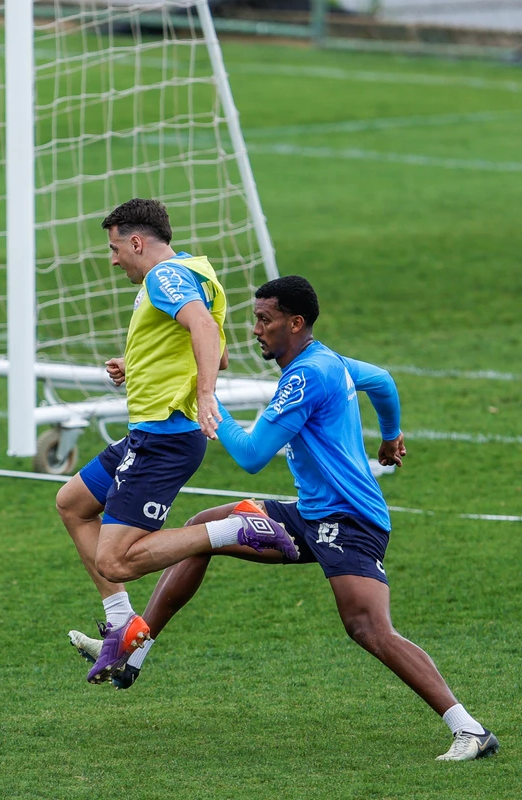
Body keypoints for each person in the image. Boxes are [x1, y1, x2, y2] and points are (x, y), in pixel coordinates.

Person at [71, 275, 497, 762]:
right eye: (255, 318)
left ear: (295, 323)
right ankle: (135, 650)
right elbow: (381, 380)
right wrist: (390, 435)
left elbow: (252, 454)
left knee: (367, 628)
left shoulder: (305, 377)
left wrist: (211, 407)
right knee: (203, 528)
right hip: (310, 514)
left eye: (264, 319)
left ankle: (470, 729)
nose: (255, 329)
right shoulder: (327, 360)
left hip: (349, 520)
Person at [56, 199, 295, 686]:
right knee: (73, 503)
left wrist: (205, 394)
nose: (114, 258)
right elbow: (218, 353)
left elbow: (204, 331)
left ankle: (237, 529)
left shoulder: (163, 278)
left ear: (137, 242)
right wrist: (139, 367)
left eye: (115, 247)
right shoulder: (199, 272)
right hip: (152, 432)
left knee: (114, 557)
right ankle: (122, 622)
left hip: (164, 438)